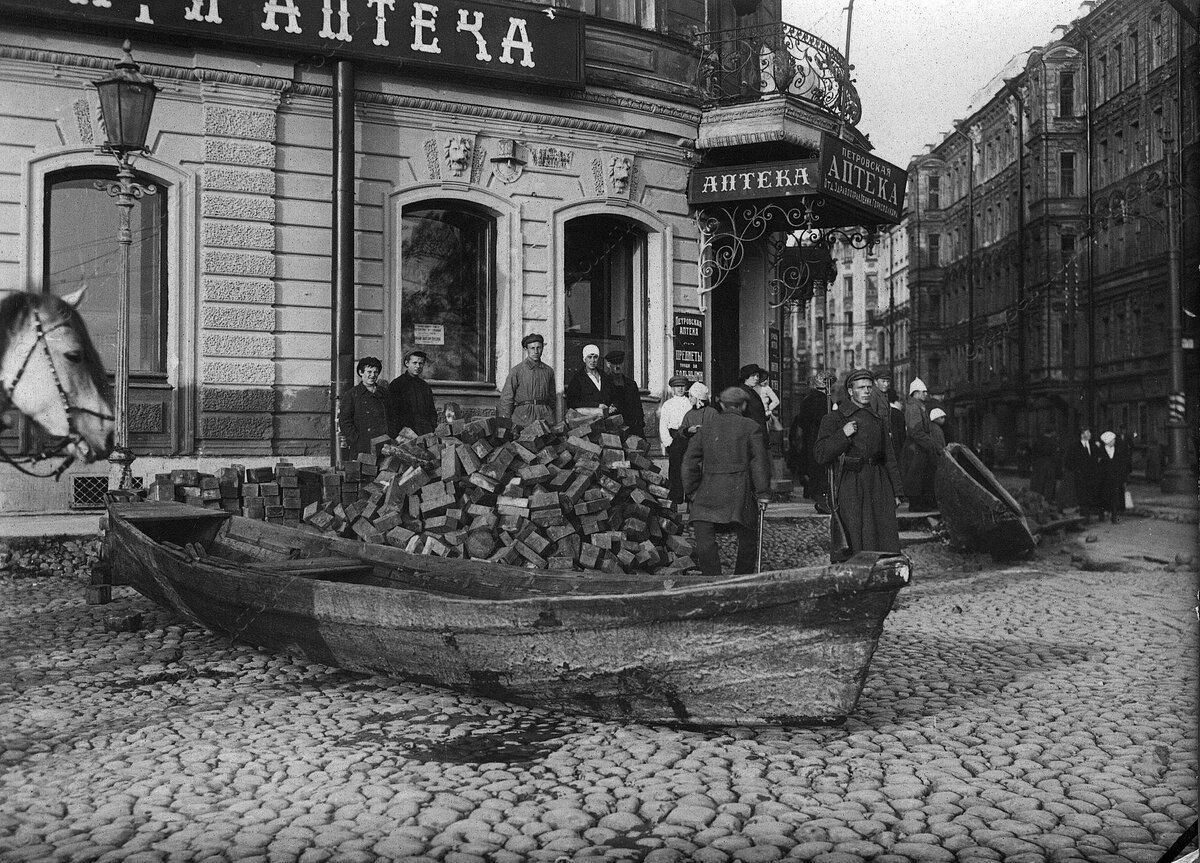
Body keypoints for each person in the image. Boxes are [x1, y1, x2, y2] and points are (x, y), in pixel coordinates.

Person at [681, 386, 771, 576]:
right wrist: (762, 492)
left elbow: (689, 462)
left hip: (707, 493)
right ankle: (741, 578)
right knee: (748, 538)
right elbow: (759, 462)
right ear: (744, 405)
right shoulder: (751, 427)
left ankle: (711, 578)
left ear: (721, 404)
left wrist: (692, 491)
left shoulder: (707, 428)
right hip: (740, 493)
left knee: (705, 539)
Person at [813, 369, 902, 555]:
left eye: (869, 387)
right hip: (851, 483)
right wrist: (842, 435)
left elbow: (889, 456)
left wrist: (897, 491)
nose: (867, 391)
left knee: (882, 535)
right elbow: (821, 454)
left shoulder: (878, 419)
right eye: (861, 387)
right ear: (851, 391)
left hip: (878, 484)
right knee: (855, 533)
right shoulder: (835, 419)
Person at [339, 356, 396, 457]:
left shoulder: (384, 393)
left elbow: (392, 418)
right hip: (362, 448)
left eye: (376, 372)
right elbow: (345, 422)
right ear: (361, 372)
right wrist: (358, 440)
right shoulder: (352, 395)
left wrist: (390, 436)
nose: (372, 375)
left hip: (384, 446)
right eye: (369, 372)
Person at [792, 371, 833, 512]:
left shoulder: (808, 399)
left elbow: (802, 421)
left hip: (810, 438)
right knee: (822, 469)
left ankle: (817, 495)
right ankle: (822, 499)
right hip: (821, 437)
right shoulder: (826, 400)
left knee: (814, 467)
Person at [498, 333, 556, 428]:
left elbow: (552, 399)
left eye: (539, 347)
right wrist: (505, 422)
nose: (536, 351)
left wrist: (550, 415)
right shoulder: (517, 370)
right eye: (532, 348)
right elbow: (507, 398)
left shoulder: (549, 371)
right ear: (526, 349)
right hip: (523, 417)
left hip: (544, 416)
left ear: (542, 348)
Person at [901, 377, 938, 511]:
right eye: (923, 392)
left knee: (920, 475)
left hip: (919, 446)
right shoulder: (914, 408)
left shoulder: (917, 406)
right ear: (916, 393)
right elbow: (916, 431)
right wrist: (930, 444)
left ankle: (920, 503)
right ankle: (916, 504)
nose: (926, 394)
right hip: (916, 448)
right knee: (916, 476)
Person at [660, 375, 693, 503]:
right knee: (675, 469)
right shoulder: (668, 405)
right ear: (672, 388)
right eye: (676, 387)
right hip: (674, 437)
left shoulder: (690, 403)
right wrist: (669, 443)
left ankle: (689, 499)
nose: (680, 389)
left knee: (690, 468)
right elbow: (663, 425)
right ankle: (676, 499)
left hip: (689, 437)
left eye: (682, 386)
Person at [389, 349, 437, 436]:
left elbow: (432, 411)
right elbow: (392, 413)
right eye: (414, 363)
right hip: (405, 435)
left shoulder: (424, 386)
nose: (418, 366)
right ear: (407, 363)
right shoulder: (397, 384)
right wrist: (400, 433)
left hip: (425, 433)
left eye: (421, 363)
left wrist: (431, 428)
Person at [564, 343, 613, 421]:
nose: (592, 360)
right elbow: (571, 402)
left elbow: (611, 395)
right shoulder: (578, 378)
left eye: (595, 357)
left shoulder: (604, 376)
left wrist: (611, 406)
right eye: (589, 357)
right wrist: (597, 405)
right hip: (587, 419)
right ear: (584, 359)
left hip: (605, 418)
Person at [604, 349, 645, 438]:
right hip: (614, 427)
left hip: (632, 427)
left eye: (620, 363)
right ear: (609, 365)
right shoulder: (604, 383)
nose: (617, 366)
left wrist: (639, 423)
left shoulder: (631, 384)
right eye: (614, 363)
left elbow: (638, 407)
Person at [1064, 427, 1101, 523]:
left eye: (1089, 432)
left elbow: (1097, 458)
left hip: (1091, 476)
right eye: (1087, 432)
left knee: (1090, 495)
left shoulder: (1093, 446)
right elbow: (1068, 461)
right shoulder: (1074, 447)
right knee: (1082, 497)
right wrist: (1077, 470)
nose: (1089, 434)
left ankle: (1088, 515)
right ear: (1082, 435)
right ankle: (1084, 517)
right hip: (1080, 477)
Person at [1097, 430, 1129, 523]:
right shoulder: (1101, 452)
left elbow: (1122, 465)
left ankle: (1114, 516)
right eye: (1112, 440)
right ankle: (1101, 514)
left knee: (1115, 497)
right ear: (1107, 441)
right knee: (1103, 497)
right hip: (1104, 479)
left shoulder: (1118, 451)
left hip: (1115, 478)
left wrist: (1123, 478)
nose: (1114, 441)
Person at [734, 364, 768, 434]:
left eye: (758, 376)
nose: (756, 378)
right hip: (752, 433)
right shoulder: (743, 392)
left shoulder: (751, 391)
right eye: (753, 375)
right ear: (745, 377)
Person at [1029, 427, 1060, 503]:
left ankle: (1036, 500)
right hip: (1049, 465)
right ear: (1052, 432)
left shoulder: (1037, 440)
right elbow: (1054, 455)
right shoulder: (1052, 442)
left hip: (1038, 464)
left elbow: (1033, 452)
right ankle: (1047, 501)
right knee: (1049, 483)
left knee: (1038, 483)